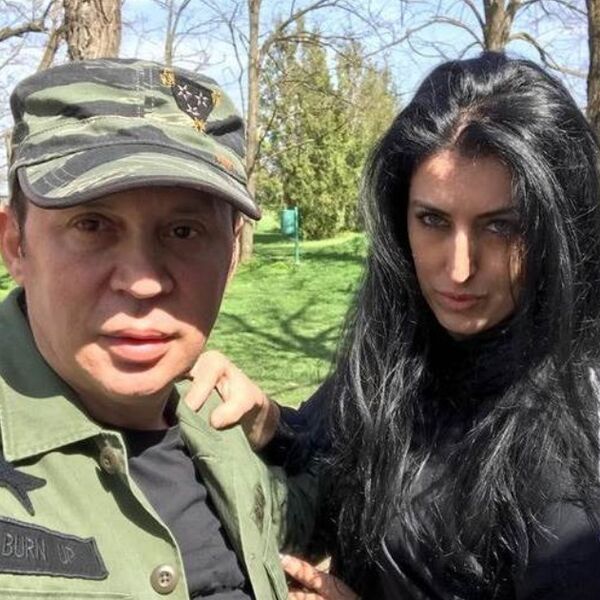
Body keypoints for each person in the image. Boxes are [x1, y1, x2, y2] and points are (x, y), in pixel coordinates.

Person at [188, 52, 600, 599]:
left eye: (501, 226)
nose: (459, 268)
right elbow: (336, 449)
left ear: (557, 227)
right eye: (432, 220)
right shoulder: (408, 344)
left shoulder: (575, 432)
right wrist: (269, 422)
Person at [0, 58, 313, 599]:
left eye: (184, 231)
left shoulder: (217, 423)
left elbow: (321, 506)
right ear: (15, 246)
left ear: (232, 254)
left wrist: (276, 428)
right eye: (92, 224)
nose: (143, 281)